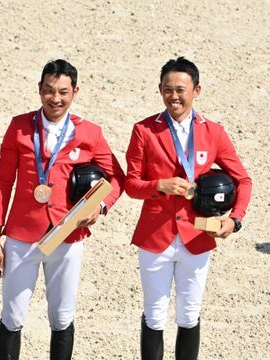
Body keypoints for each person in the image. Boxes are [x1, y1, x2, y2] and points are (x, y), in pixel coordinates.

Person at [0, 59, 125, 360]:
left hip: (68, 235)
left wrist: (100, 207)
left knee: (62, 317)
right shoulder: (19, 127)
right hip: (22, 235)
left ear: (75, 92)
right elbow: (3, 184)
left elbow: (117, 177)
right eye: (49, 90)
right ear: (39, 90)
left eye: (63, 91)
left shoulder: (89, 133)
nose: (56, 98)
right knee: (13, 316)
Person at [125, 57, 252, 360]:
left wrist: (235, 221)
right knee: (154, 314)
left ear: (197, 90)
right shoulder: (144, 130)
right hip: (155, 235)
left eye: (181, 90)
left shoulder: (214, 133)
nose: (174, 97)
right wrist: (158, 186)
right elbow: (130, 184)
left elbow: (243, 180)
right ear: (159, 90)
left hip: (197, 236)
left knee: (189, 314)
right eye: (167, 89)